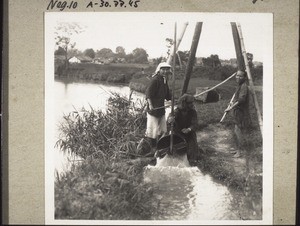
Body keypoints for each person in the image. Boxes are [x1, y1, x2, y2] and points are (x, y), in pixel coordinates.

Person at [143, 62, 172, 150]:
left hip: (161, 109)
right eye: (163, 69)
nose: (165, 71)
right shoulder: (155, 80)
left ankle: (159, 147)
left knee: (162, 129)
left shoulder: (164, 80)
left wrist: (172, 99)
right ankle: (151, 147)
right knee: (152, 130)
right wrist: (151, 105)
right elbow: (148, 94)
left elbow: (167, 94)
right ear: (159, 70)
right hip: (154, 110)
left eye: (167, 70)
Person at [225, 70, 251, 158]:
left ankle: (240, 151)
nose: (238, 77)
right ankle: (238, 149)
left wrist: (230, 108)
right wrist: (232, 104)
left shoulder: (244, 86)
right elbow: (237, 99)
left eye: (240, 76)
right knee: (236, 131)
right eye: (237, 75)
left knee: (238, 131)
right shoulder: (239, 85)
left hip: (242, 113)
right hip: (238, 111)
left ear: (244, 78)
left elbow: (241, 100)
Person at [168, 94, 200, 163]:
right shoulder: (177, 111)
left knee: (192, 153)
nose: (192, 104)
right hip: (178, 133)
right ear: (185, 103)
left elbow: (195, 124)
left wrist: (189, 129)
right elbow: (171, 116)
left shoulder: (193, 112)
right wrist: (170, 119)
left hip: (189, 133)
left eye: (192, 102)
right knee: (177, 148)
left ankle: (192, 159)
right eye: (190, 103)